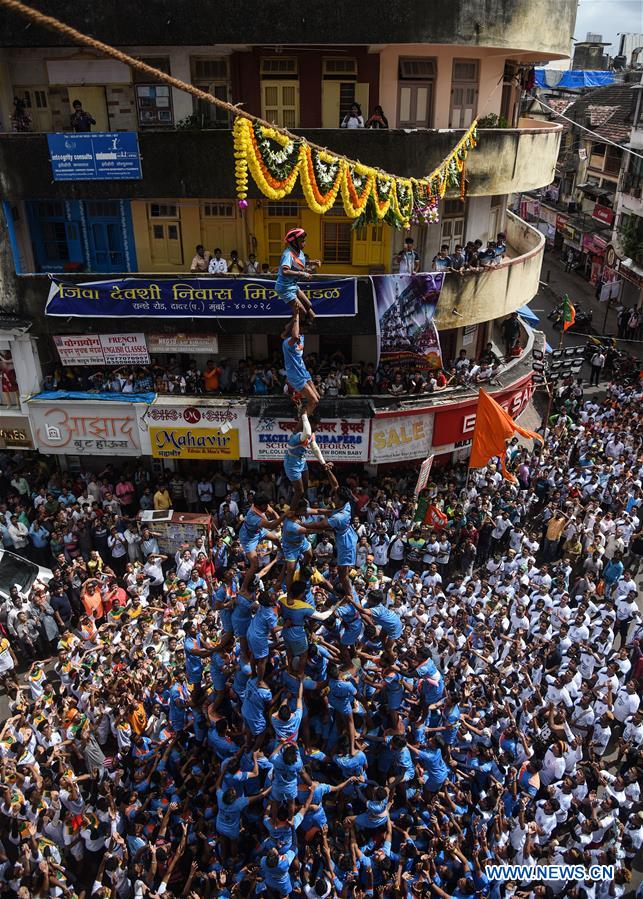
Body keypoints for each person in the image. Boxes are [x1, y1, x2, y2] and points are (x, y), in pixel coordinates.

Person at [283, 412, 332, 505]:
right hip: (292, 464)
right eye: (317, 424)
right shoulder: (298, 436)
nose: (318, 427)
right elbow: (307, 433)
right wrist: (304, 415)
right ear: (311, 424)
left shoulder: (311, 435)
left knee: (305, 487)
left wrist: (323, 463)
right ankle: (292, 511)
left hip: (302, 461)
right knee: (299, 491)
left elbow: (315, 448)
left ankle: (301, 505)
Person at [275, 228, 320, 327]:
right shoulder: (288, 254)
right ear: (294, 242)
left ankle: (300, 323)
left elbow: (298, 262)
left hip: (293, 285)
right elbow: (285, 271)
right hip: (284, 288)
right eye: (302, 241)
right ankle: (287, 330)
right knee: (302, 312)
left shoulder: (299, 252)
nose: (305, 243)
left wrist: (313, 262)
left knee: (309, 305)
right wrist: (302, 274)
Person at [281, 310, 320, 415]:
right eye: (303, 329)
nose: (305, 331)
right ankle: (302, 420)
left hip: (304, 372)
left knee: (317, 398)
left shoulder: (301, 336)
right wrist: (296, 316)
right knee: (314, 401)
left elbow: (312, 317)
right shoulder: (287, 342)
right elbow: (293, 335)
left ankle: (305, 414)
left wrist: (303, 310)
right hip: (295, 375)